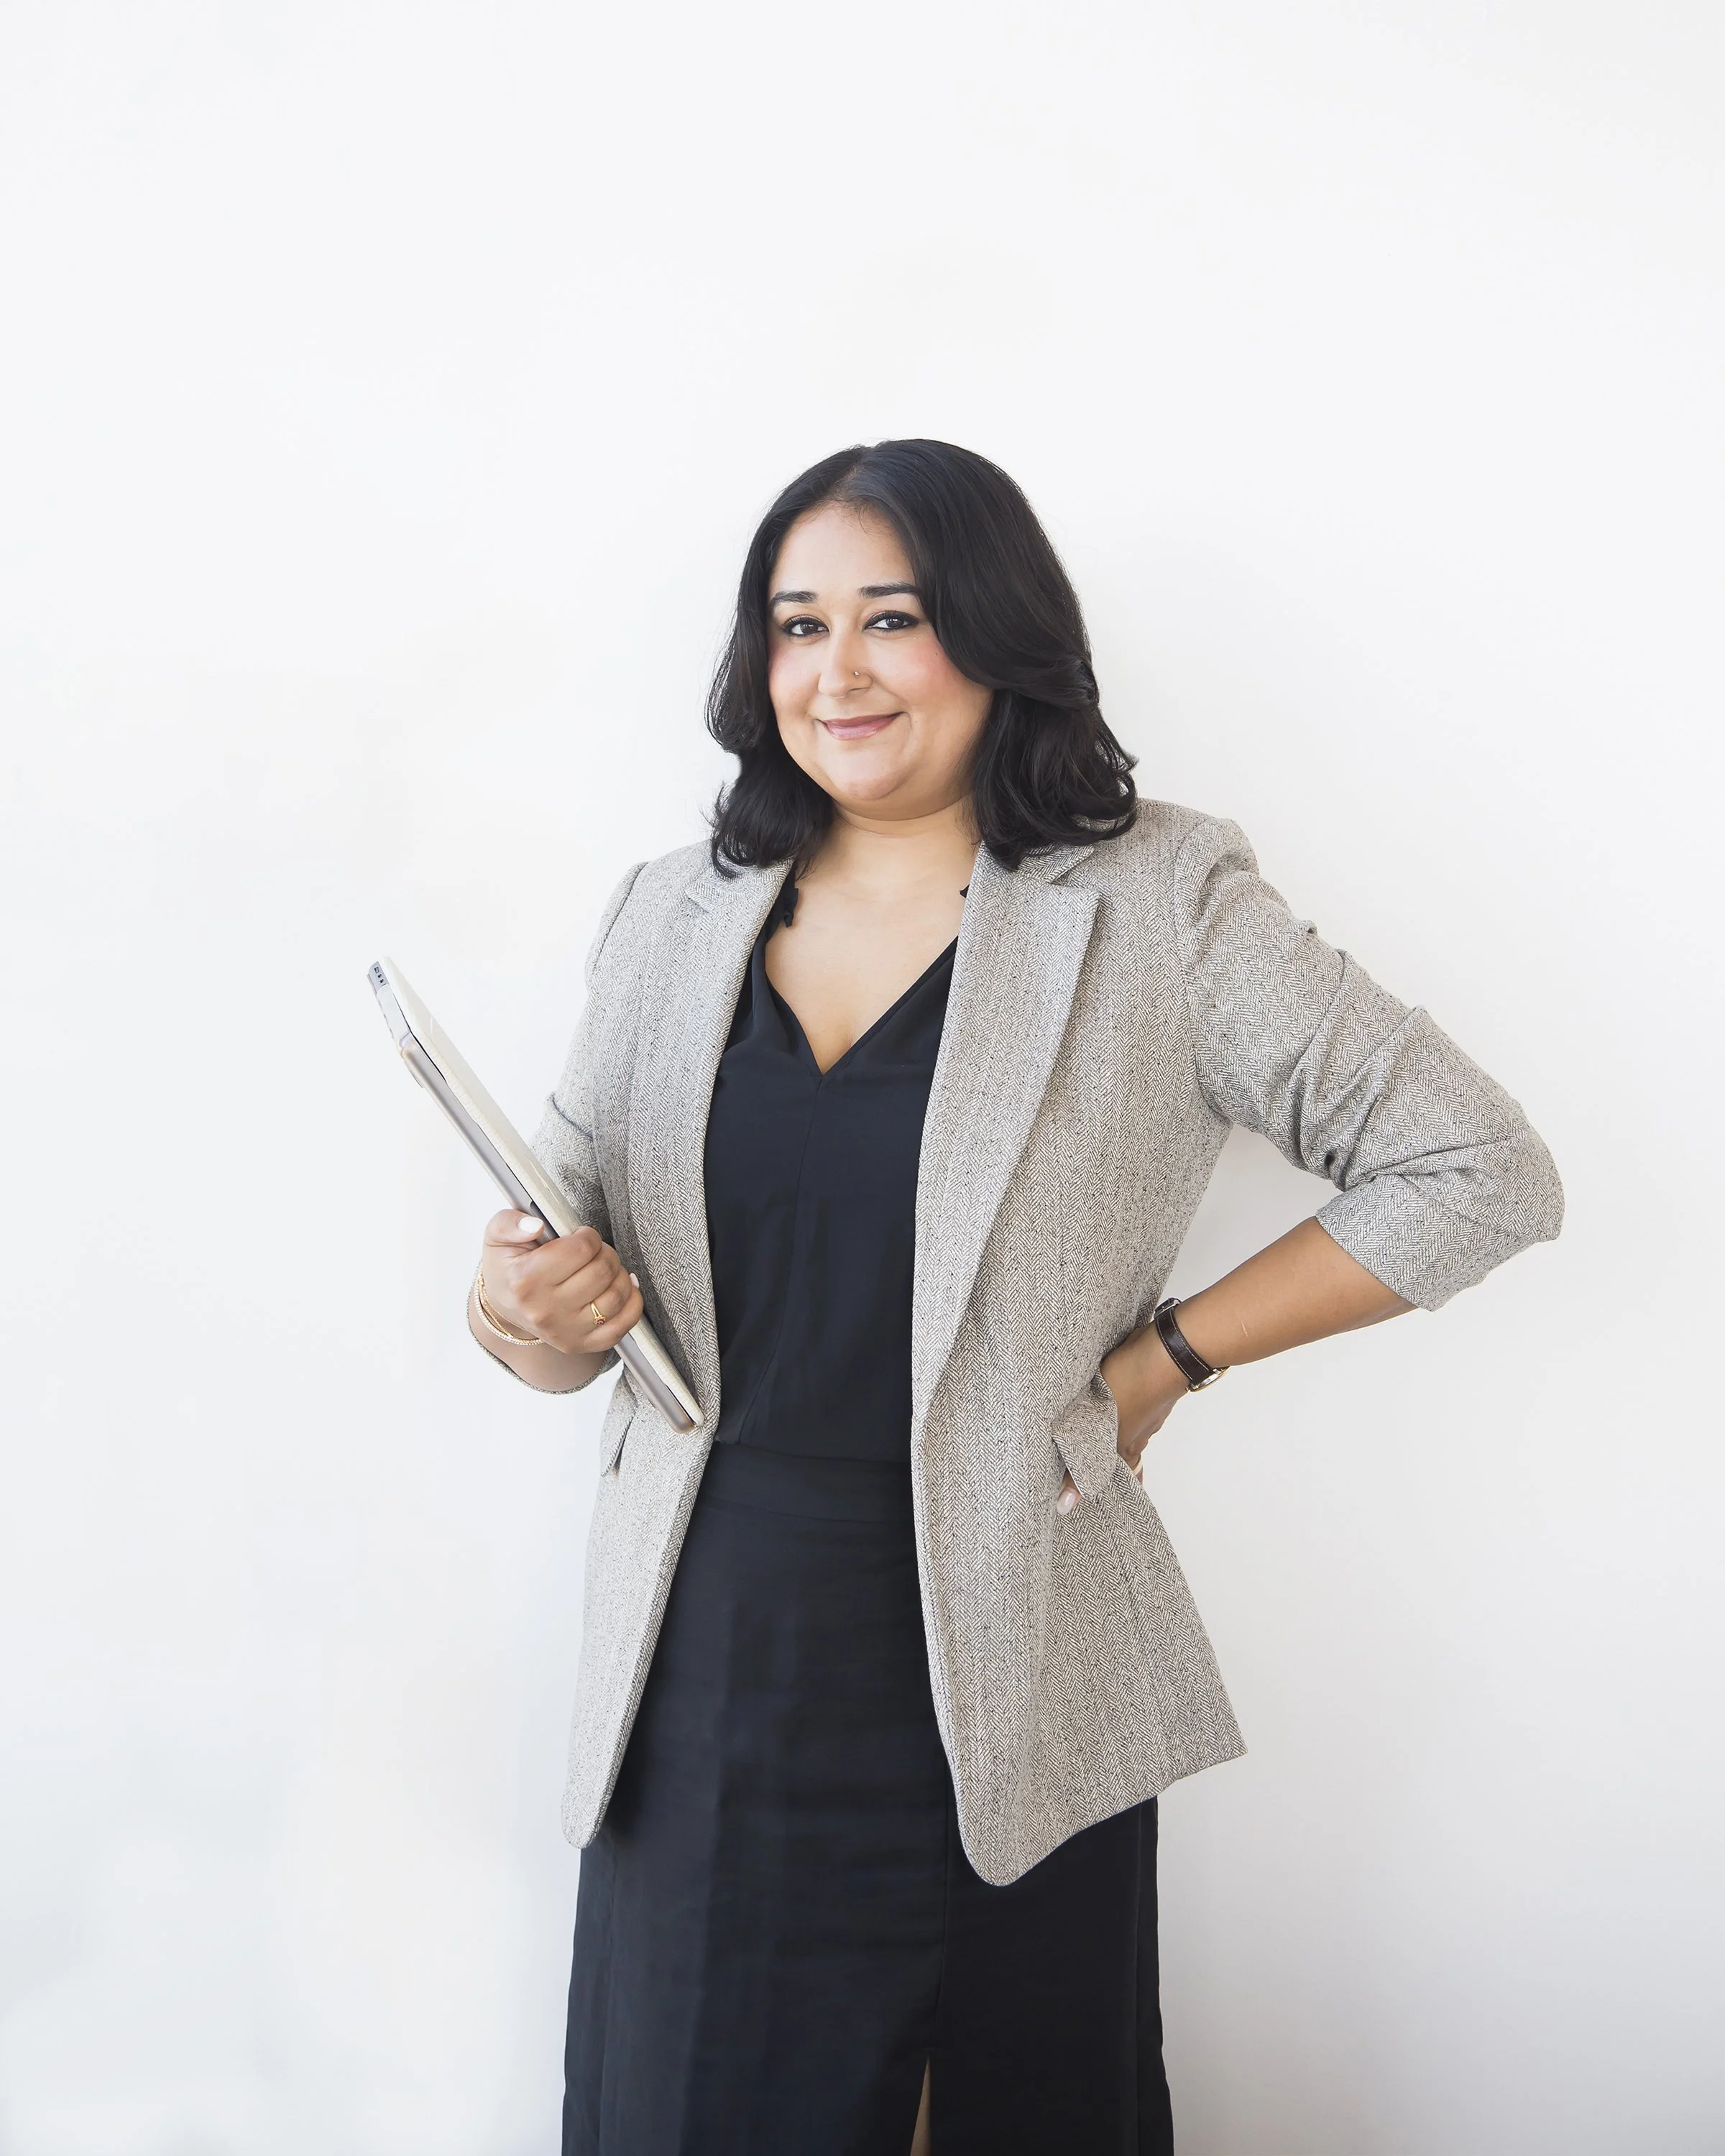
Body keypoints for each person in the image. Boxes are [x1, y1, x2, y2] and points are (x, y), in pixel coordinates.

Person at [464, 440, 1563, 2155]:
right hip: (706, 1655)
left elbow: (1479, 1167)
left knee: (1010, 2107)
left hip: (1005, 1644)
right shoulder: (671, 917)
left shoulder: (1158, 903)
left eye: (890, 620)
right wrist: (528, 1310)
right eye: (796, 623)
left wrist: (1170, 1359)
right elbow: (546, 1287)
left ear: (993, 636)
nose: (837, 673)